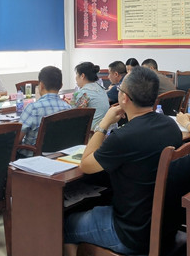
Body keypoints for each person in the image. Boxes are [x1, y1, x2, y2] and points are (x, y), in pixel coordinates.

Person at [63, 66, 182, 256]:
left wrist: (104, 123)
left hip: (129, 232)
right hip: (163, 226)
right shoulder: (170, 125)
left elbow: (86, 165)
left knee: (65, 225)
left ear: (124, 98)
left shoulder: (123, 137)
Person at [18, 66, 71, 157]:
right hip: (59, 157)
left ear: (41, 85)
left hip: (32, 158)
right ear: (61, 86)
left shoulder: (33, 108)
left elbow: (17, 139)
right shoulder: (69, 108)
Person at [71, 62, 110, 130]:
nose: (75, 78)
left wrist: (72, 101)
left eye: (76, 74)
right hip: (106, 127)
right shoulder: (101, 88)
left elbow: (73, 114)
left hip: (92, 131)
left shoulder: (83, 93)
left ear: (82, 76)